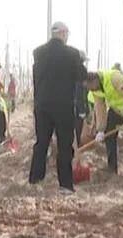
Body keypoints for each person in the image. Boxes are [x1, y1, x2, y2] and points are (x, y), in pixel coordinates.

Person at [29, 22, 87, 194]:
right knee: (64, 145)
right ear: (62, 33)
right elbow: (81, 76)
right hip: (63, 106)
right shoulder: (72, 54)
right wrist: (80, 62)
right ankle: (65, 185)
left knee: (41, 144)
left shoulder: (38, 52)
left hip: (42, 105)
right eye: (67, 33)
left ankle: (35, 180)